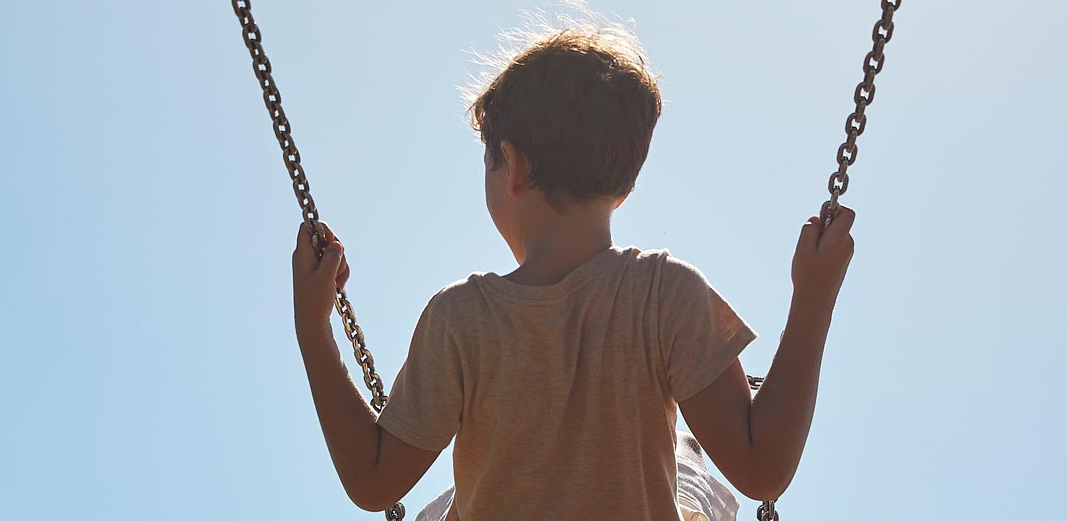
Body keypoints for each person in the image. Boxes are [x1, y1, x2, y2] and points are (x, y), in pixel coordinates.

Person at [288, 17, 857, 521]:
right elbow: (762, 469)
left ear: (511, 166)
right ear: (624, 189)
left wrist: (313, 327)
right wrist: (812, 299)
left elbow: (372, 480)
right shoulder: (667, 292)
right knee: (689, 468)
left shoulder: (460, 320)